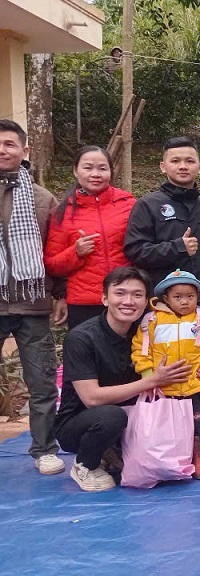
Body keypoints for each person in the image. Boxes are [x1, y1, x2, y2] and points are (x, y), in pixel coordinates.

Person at [54, 267, 200, 492]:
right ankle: (85, 464)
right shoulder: (82, 338)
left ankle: (114, 451)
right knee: (111, 416)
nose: (128, 301)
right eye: (120, 293)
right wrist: (153, 381)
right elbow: (91, 398)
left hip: (136, 413)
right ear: (104, 298)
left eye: (137, 295)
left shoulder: (146, 331)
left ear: (147, 301)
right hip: (84, 420)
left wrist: (195, 377)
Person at [122, 136, 200, 419]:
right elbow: (134, 251)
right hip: (162, 310)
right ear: (163, 166)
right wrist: (176, 248)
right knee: (165, 369)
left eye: (189, 161)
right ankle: (166, 426)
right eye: (176, 161)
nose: (183, 166)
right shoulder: (148, 205)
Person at [0, 119, 65, 475]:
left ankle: (44, 449)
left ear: (24, 151)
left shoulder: (43, 199)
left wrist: (60, 294)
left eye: (10, 144)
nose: (2, 150)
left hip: (32, 304)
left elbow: (54, 252)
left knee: (41, 381)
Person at [131, 270, 200, 479]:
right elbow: (141, 349)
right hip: (163, 388)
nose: (185, 302)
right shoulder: (151, 321)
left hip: (192, 385)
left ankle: (198, 459)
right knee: (168, 425)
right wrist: (149, 376)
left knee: (196, 425)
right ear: (166, 299)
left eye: (190, 297)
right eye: (178, 297)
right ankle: (172, 459)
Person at [43, 146, 135, 329]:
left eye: (102, 168)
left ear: (111, 171)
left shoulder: (129, 204)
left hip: (127, 298)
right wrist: (75, 252)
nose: (95, 174)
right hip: (84, 303)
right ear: (76, 171)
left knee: (129, 355)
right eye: (88, 167)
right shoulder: (63, 212)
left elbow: (141, 249)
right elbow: (51, 264)